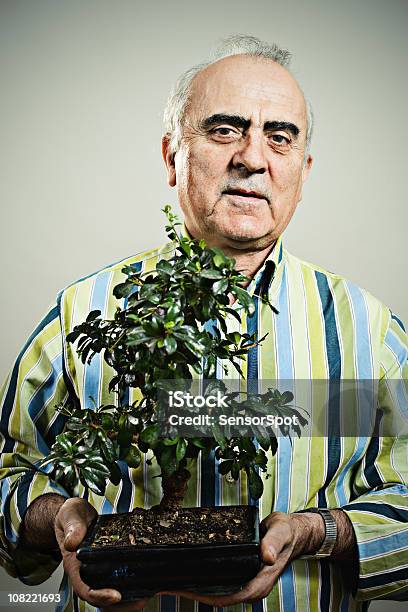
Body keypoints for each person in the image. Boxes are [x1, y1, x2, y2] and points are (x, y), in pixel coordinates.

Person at [0, 35, 407, 612]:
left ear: (303, 170)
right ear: (172, 155)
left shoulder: (369, 332)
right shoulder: (84, 312)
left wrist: (320, 531)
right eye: (224, 129)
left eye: (280, 137)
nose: (252, 156)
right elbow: (7, 471)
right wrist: (54, 516)